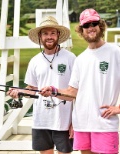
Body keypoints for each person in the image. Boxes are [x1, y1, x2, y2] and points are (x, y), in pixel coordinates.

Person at [40, 9, 120, 154]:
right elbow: (72, 92)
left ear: (100, 25)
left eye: (94, 23)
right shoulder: (80, 59)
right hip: (82, 125)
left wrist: (118, 108)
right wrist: (53, 90)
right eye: (86, 25)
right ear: (81, 30)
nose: (90, 28)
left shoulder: (115, 52)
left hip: (105, 125)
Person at [7, 16, 76, 154]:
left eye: (52, 33)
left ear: (58, 35)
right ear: (40, 36)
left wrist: (75, 122)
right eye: (45, 33)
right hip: (41, 121)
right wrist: (19, 92)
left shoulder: (70, 58)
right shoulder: (34, 61)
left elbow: (77, 93)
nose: (49, 37)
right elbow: (32, 89)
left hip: (64, 121)